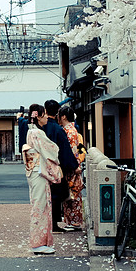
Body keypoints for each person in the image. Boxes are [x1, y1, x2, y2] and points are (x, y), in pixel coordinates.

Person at [22, 121, 60, 254]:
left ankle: (41, 242)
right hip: (38, 173)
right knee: (40, 206)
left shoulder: (28, 140)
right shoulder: (37, 136)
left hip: (33, 173)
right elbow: (52, 149)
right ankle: (38, 243)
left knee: (38, 205)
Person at [41, 99, 79, 233]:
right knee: (56, 195)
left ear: (45, 111)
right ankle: (54, 223)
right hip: (56, 166)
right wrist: (74, 166)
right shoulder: (58, 129)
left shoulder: (40, 128)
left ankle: (45, 222)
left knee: (43, 195)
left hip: (41, 165)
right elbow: (65, 150)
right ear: (57, 112)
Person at [58, 106, 86, 231]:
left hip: (71, 166)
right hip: (75, 164)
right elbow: (80, 149)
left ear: (63, 116)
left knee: (71, 194)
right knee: (74, 194)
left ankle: (74, 221)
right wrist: (80, 161)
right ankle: (74, 221)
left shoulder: (68, 132)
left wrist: (75, 164)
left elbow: (71, 151)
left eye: (60, 115)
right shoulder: (74, 130)